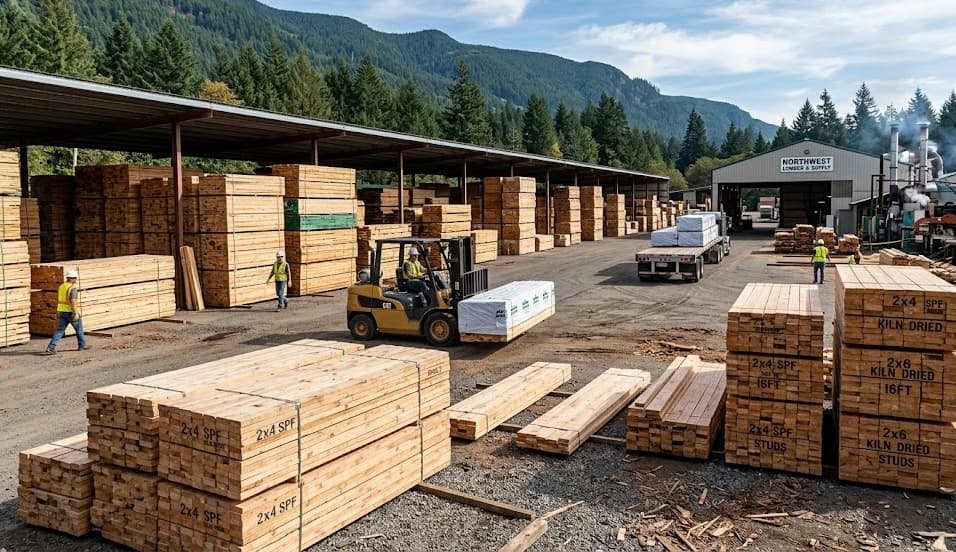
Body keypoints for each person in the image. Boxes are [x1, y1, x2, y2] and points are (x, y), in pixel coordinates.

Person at [44, 270, 89, 354]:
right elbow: (73, 301)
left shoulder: (61, 286)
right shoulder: (72, 288)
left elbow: (61, 299)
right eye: (75, 278)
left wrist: (58, 311)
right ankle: (82, 345)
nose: (76, 280)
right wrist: (75, 312)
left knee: (60, 330)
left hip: (61, 311)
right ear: (71, 278)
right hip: (70, 312)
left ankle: (51, 347)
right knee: (79, 329)